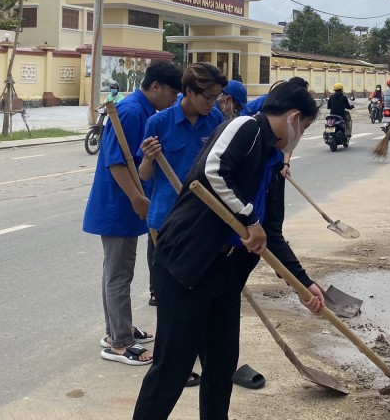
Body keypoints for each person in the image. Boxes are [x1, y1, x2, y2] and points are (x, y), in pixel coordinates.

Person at [131, 81, 325, 420]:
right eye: (305, 127)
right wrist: (248, 218)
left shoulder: (272, 160)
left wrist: (303, 283)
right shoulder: (245, 127)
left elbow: (271, 234)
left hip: (224, 273)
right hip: (185, 266)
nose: (301, 134)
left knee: (221, 367)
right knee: (172, 369)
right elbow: (212, 171)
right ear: (294, 117)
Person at [82, 61, 183, 366]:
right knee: (119, 273)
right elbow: (115, 162)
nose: (173, 99)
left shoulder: (141, 110)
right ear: (156, 87)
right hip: (119, 204)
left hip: (125, 203)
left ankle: (117, 328)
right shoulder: (130, 111)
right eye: (172, 92)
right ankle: (119, 343)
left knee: (116, 270)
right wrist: (137, 198)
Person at [137, 63, 226, 387]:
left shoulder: (215, 121)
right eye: (208, 96)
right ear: (188, 92)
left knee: (200, 294)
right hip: (165, 225)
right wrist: (148, 157)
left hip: (202, 222)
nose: (212, 103)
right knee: (169, 297)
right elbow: (144, 175)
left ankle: (204, 357)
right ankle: (172, 363)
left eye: (217, 97)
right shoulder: (159, 122)